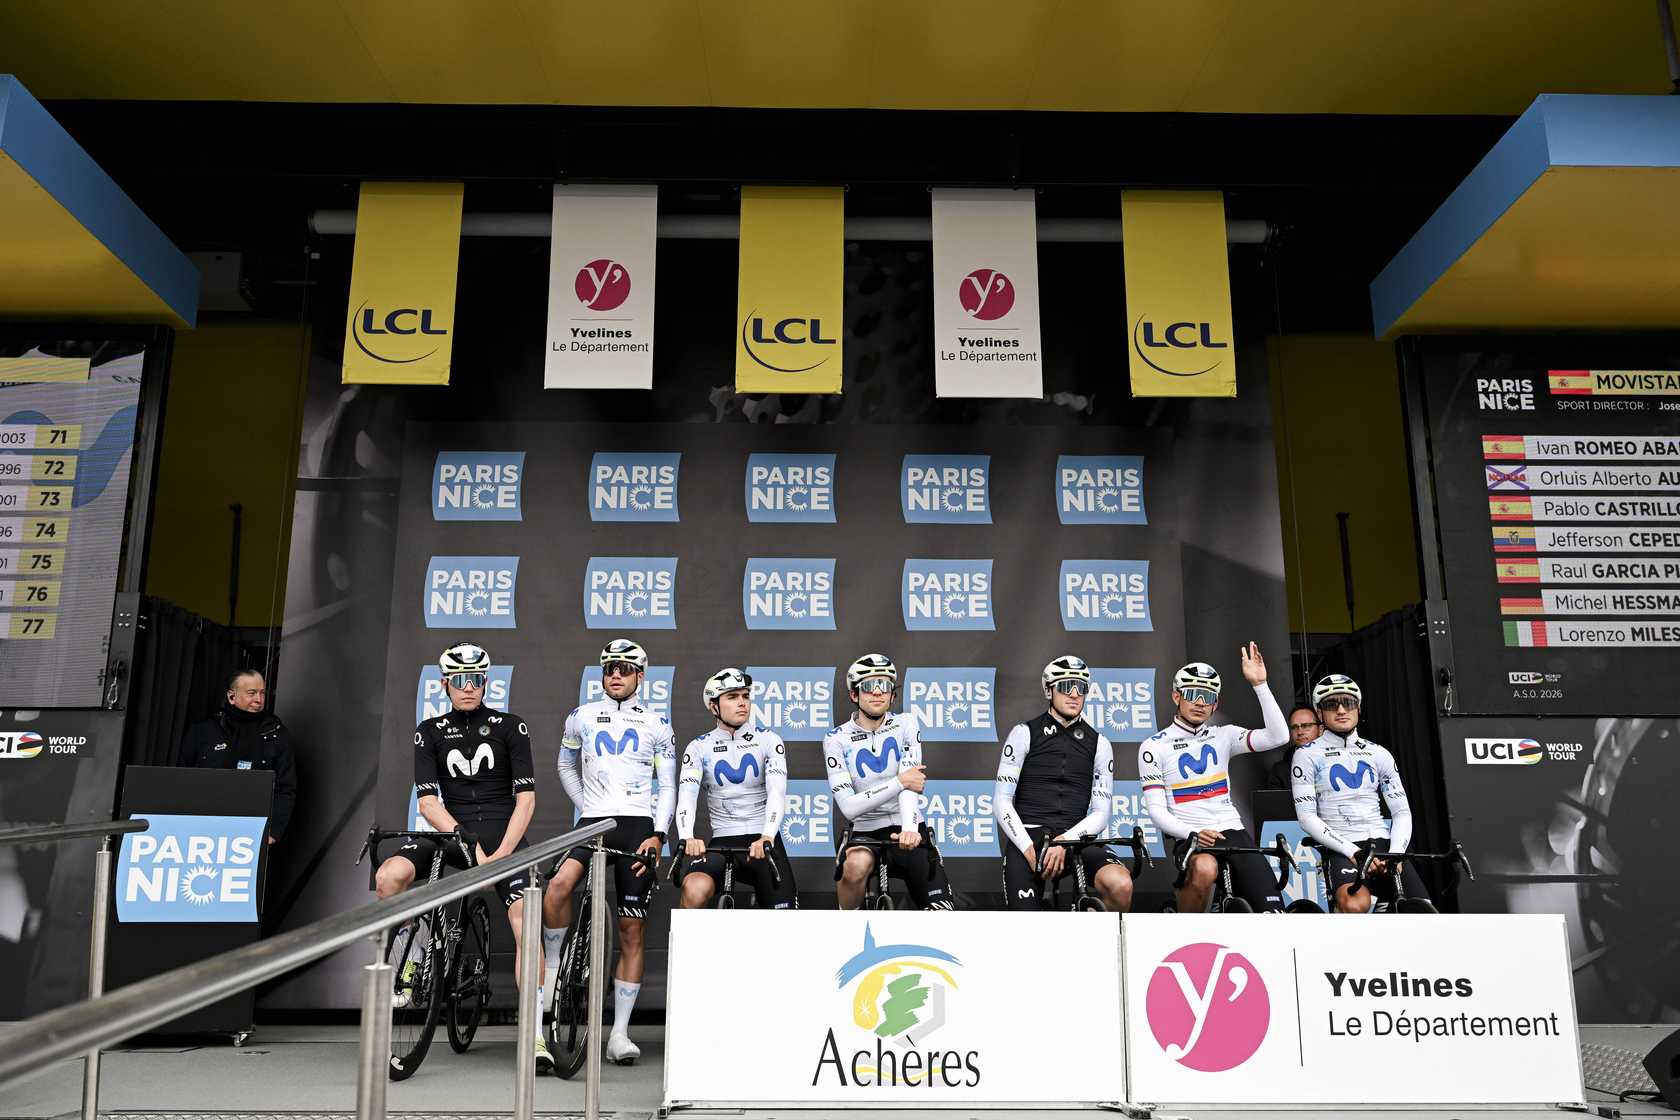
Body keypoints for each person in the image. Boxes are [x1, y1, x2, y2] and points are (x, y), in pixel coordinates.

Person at [372, 643, 545, 1073]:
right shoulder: (429, 731)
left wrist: (502, 855)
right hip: (451, 831)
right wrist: (466, 842)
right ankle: (413, 955)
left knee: (527, 920)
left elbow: (526, 800)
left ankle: (536, 1032)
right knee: (389, 877)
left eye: (476, 680)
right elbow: (428, 803)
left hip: (503, 833)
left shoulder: (511, 726)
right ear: (444, 684)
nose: (468, 688)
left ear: (485, 683)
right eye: (459, 680)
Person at [544, 638, 676, 1066]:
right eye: (609, 668)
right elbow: (564, 764)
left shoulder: (657, 723)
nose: (616, 675)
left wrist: (659, 834)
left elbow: (668, 785)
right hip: (593, 822)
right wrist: (586, 806)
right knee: (557, 887)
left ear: (641, 675)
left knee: (631, 929)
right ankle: (553, 968)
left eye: (625, 668)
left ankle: (619, 1033)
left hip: (638, 826)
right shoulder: (580, 716)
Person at [1138, 643, 1290, 913]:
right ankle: (1188, 928)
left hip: (1233, 830)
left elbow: (1279, 737)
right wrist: (1192, 833)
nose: (1199, 702)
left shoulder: (1225, 735)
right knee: (1205, 868)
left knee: (1273, 911)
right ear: (1176, 696)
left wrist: (1260, 685)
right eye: (1192, 694)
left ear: (1215, 704)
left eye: (1207, 696)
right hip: (1191, 834)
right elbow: (1157, 812)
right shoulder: (1154, 746)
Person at [994, 655, 1131, 911]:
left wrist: (1064, 840)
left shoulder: (1100, 743)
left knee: (1120, 885)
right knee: (1025, 923)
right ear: (1049, 690)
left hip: (1075, 837)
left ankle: (1095, 932)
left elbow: (1101, 813)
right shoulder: (1023, 733)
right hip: (1029, 836)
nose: (1075, 694)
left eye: (1081, 688)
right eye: (1066, 686)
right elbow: (1001, 801)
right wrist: (1025, 846)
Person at [824, 653, 953, 911]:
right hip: (865, 831)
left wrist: (910, 827)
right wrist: (899, 781)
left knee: (943, 914)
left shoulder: (906, 723)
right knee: (855, 866)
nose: (877, 692)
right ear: (854, 694)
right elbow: (848, 807)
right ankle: (848, 922)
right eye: (869, 686)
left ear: (893, 695)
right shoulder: (836, 738)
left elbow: (911, 784)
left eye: (884, 685)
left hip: (908, 825)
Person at [1291, 674, 1426, 913]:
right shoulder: (1306, 754)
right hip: (1343, 846)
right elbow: (1306, 817)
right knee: (1354, 906)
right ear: (1319, 712)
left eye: (1349, 702)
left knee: (1423, 910)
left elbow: (1402, 812)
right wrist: (1353, 852)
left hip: (1384, 843)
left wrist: (1395, 854)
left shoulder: (1379, 753)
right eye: (1331, 704)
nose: (1341, 710)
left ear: (1359, 708)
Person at [674, 668, 798, 910]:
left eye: (745, 696)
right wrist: (687, 836)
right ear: (714, 707)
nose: (742, 703)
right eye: (732, 697)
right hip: (722, 841)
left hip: (763, 840)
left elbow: (777, 792)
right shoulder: (698, 747)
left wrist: (767, 835)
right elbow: (686, 796)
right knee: (694, 889)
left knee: (785, 918)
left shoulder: (769, 740)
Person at [178, 669, 298, 844]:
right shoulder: (203, 731)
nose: (259, 699)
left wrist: (273, 831)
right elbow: (183, 779)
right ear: (232, 696)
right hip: (202, 829)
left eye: (262, 693)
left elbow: (285, 788)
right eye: (251, 693)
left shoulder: (278, 735)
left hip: (252, 832)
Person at [1263, 704, 1322, 791]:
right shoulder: (1279, 770)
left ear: (1320, 729)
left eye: (1305, 726)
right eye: (1294, 727)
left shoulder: (1336, 759)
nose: (1300, 732)